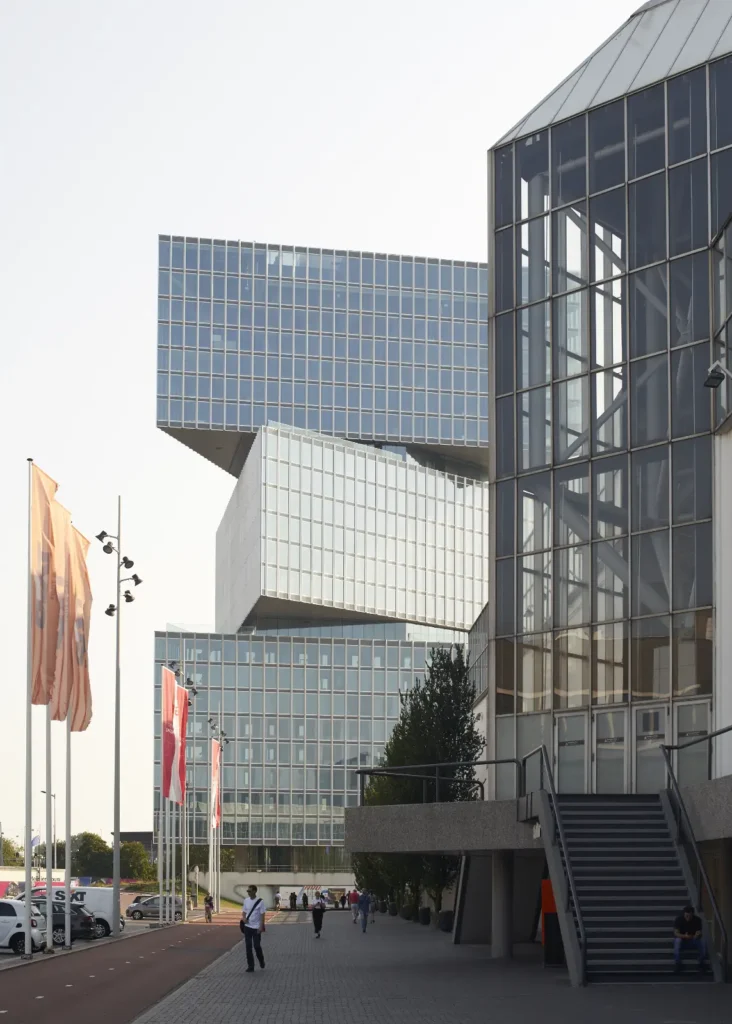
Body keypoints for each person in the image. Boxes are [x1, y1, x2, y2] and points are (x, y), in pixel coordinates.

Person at [673, 905, 706, 973]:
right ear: (684, 914)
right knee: (677, 940)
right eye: (686, 916)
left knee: (702, 941)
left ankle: (701, 962)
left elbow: (698, 932)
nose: (687, 917)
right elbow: (676, 933)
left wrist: (697, 935)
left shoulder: (697, 920)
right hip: (683, 941)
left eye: (689, 916)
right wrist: (685, 936)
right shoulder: (679, 919)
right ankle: (678, 963)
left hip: (693, 940)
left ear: (692, 914)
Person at [241, 884, 266, 973]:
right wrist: (244, 919)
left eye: (250, 891)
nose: (248, 893)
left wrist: (261, 927)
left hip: (256, 928)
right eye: (248, 891)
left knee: (257, 946)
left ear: (255, 891)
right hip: (247, 927)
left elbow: (263, 915)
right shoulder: (246, 900)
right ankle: (250, 966)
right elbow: (244, 912)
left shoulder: (260, 902)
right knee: (248, 947)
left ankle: (261, 960)